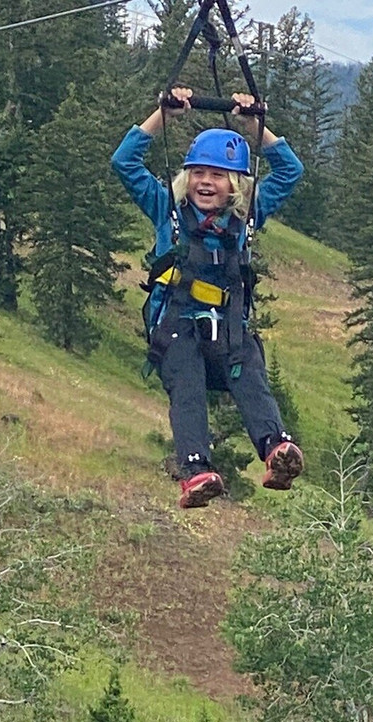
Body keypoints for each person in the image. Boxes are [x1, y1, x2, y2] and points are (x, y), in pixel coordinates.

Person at [111, 87, 305, 508]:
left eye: (216, 175)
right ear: (186, 177)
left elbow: (290, 170)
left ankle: (277, 449)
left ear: (234, 182)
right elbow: (124, 162)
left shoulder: (247, 215)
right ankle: (197, 470)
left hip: (228, 329)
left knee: (248, 366)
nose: (205, 182)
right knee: (187, 384)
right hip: (178, 328)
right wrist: (162, 116)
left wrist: (257, 128)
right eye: (198, 173)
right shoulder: (168, 208)